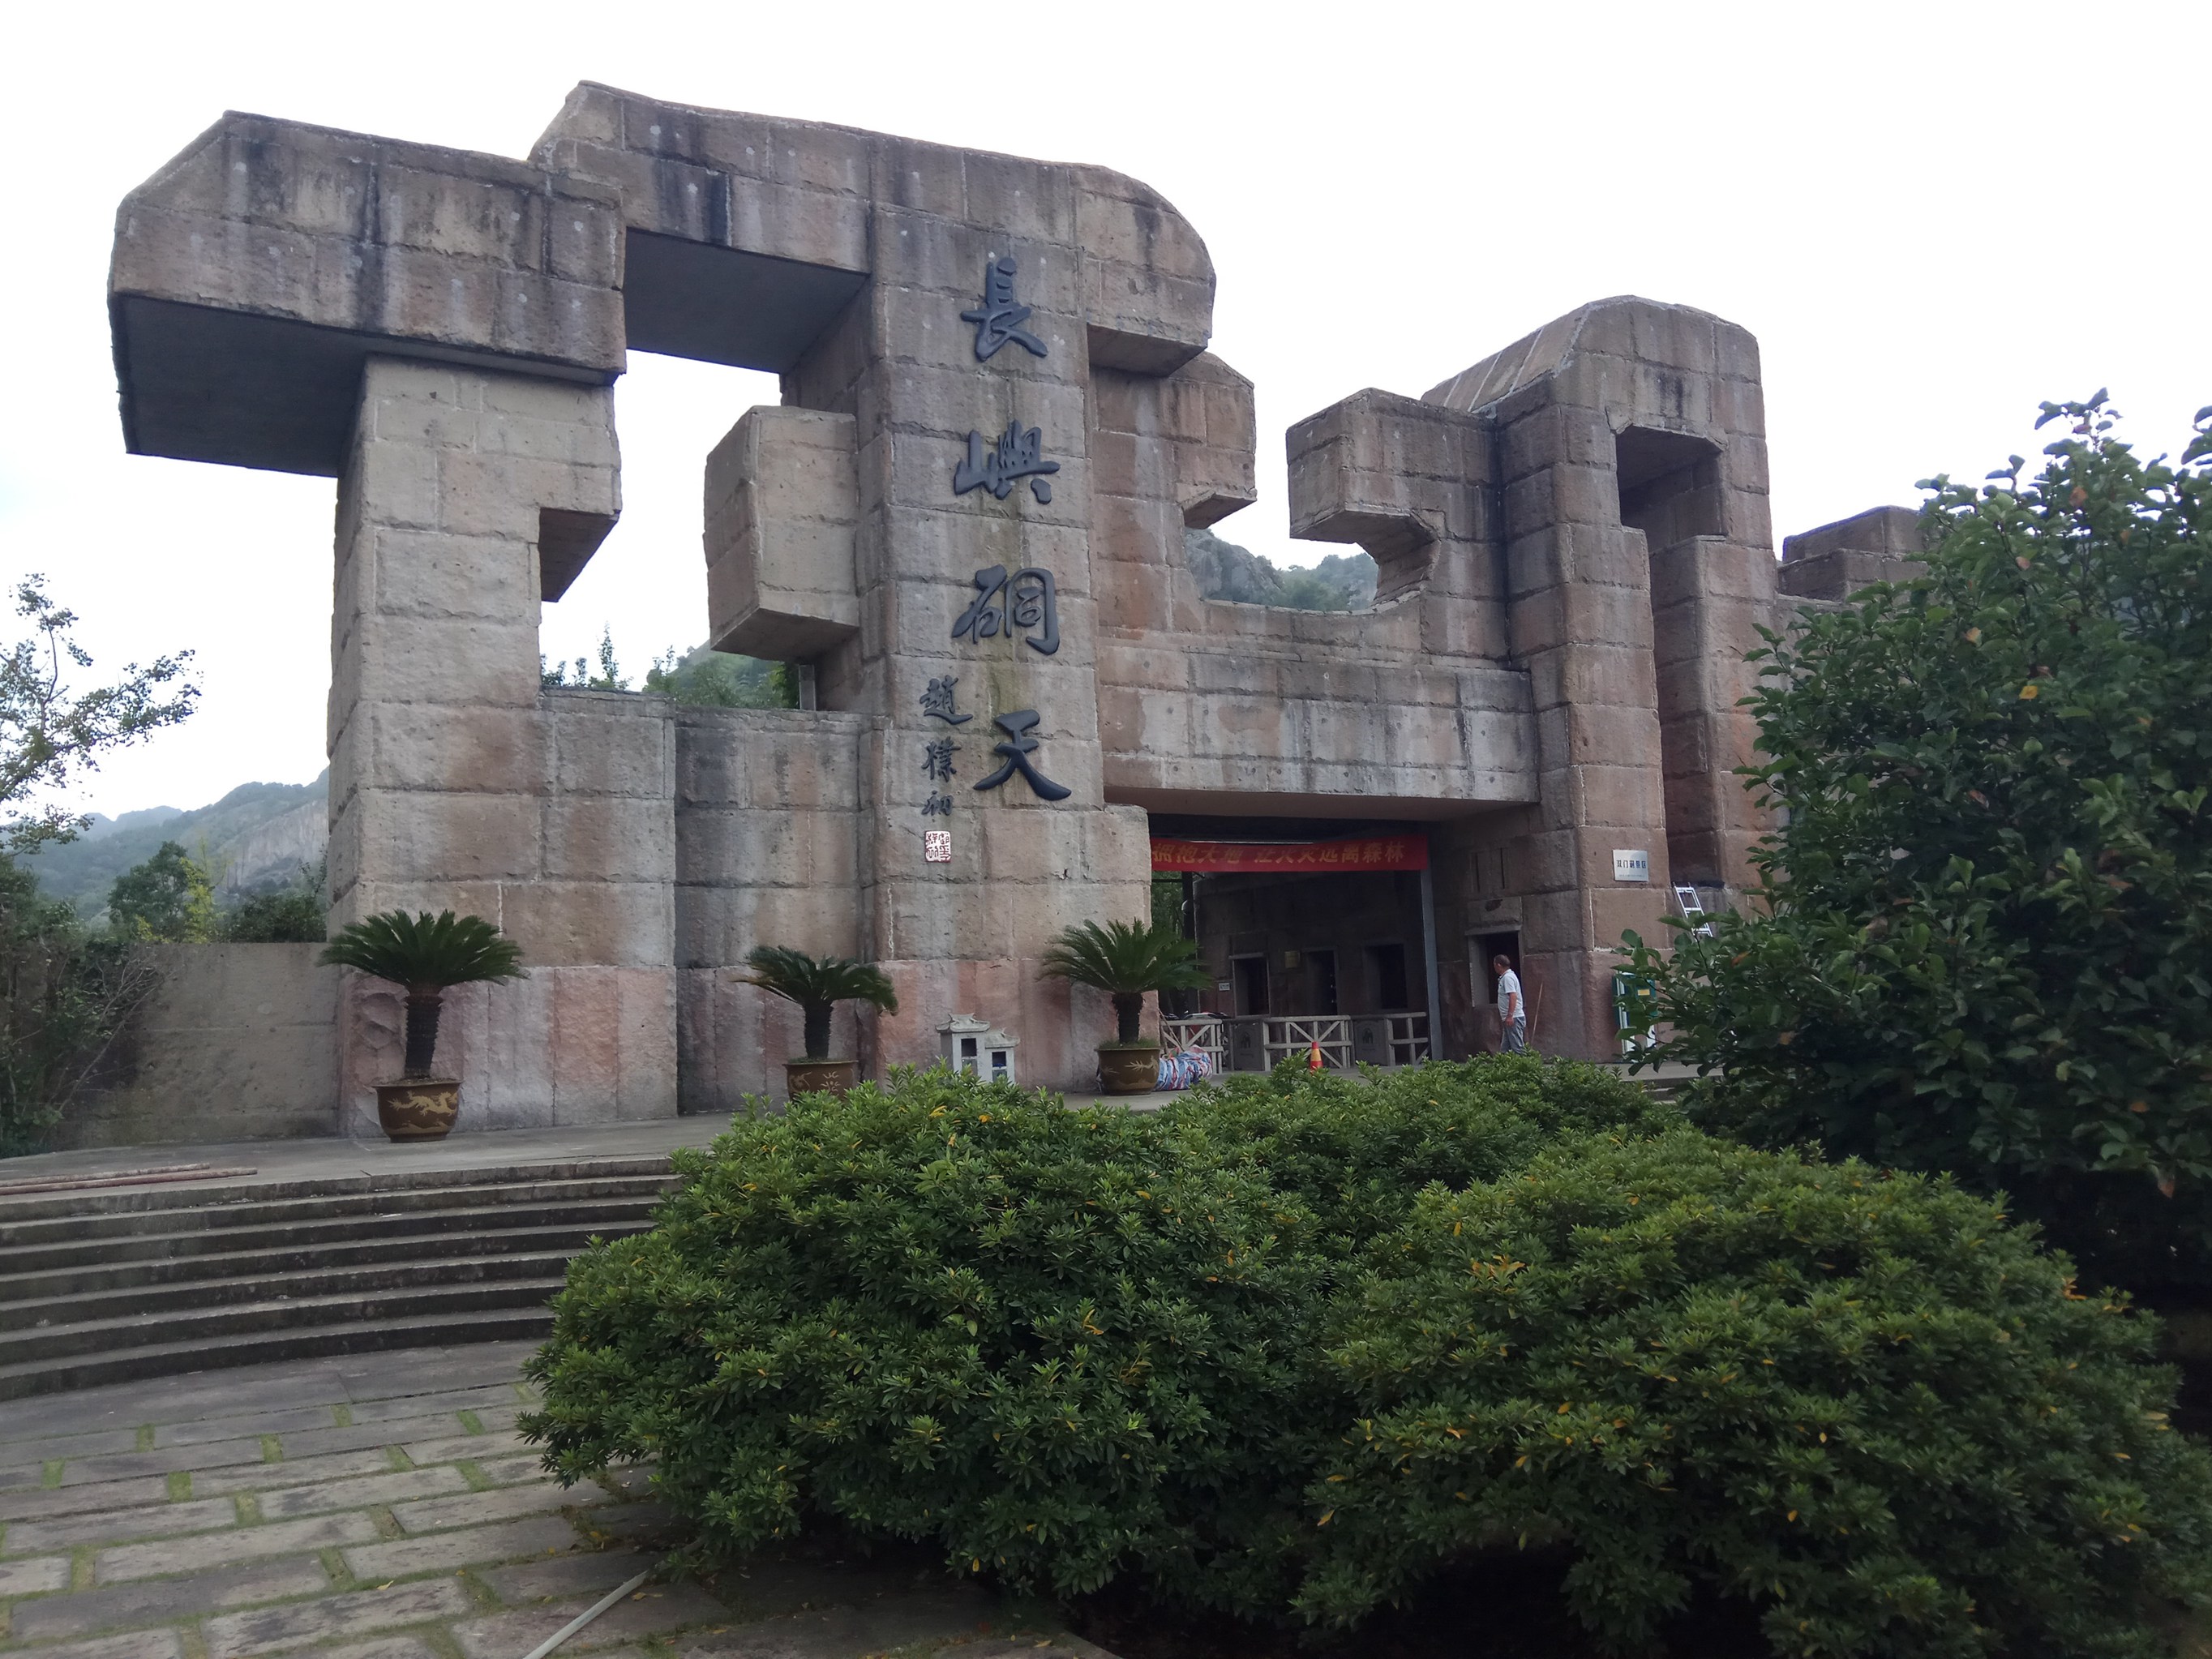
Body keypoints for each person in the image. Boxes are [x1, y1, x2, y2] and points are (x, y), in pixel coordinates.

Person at [1492, 954, 1526, 1053]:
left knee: (1517, 1048)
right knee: (1505, 1049)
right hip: (1510, 1019)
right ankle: (1504, 1066)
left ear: (1498, 965)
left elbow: (1513, 996)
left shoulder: (1508, 978)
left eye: (1494, 965)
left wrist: (1510, 1015)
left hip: (1514, 1017)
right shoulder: (1506, 977)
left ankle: (1525, 1067)